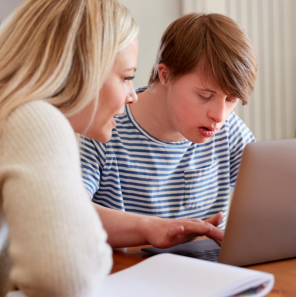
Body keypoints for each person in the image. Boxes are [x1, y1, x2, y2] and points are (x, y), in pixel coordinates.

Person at [0, 0, 222, 297]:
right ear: (82, 68)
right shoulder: (33, 121)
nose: (132, 95)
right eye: (126, 77)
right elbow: (68, 278)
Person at [80, 13, 257, 234]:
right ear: (166, 75)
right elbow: (70, 210)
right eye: (205, 95)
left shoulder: (230, 131)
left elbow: (270, 201)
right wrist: (149, 228)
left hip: (208, 265)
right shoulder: (103, 127)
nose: (220, 116)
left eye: (230, 100)